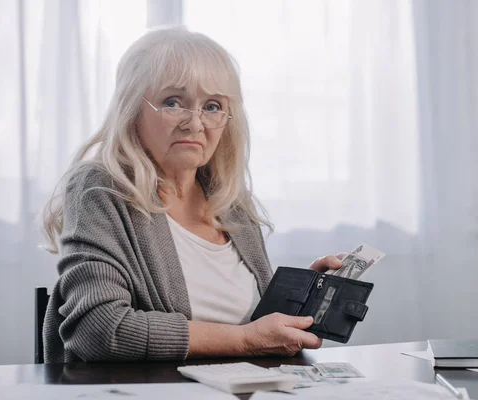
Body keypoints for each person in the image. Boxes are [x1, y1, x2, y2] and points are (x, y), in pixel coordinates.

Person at [41, 26, 343, 363]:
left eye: (212, 106)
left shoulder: (230, 205)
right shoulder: (100, 187)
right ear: (132, 109)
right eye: (173, 102)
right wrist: (244, 340)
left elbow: (255, 330)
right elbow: (100, 330)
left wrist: (294, 303)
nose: (195, 123)